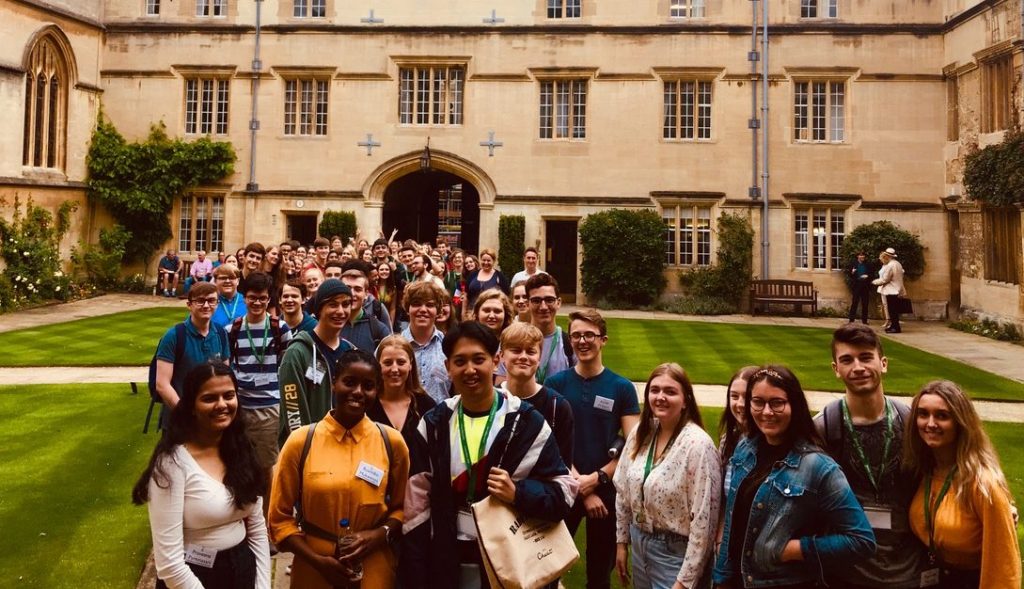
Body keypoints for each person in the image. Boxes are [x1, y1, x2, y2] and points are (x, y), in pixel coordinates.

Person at [401, 321, 578, 589]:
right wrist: (415, 572)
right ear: (448, 367)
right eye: (460, 361)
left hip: (509, 559)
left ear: (495, 361)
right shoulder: (434, 424)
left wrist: (518, 492)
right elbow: (415, 508)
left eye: (478, 359)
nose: (470, 370)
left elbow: (564, 493)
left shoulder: (529, 423)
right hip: (446, 560)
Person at [712, 365, 876, 588]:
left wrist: (793, 550)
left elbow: (861, 541)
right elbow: (733, 521)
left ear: (795, 405)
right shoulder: (745, 449)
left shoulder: (818, 467)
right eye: (758, 402)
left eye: (777, 403)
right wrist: (721, 576)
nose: (766, 412)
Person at [270, 349, 410, 589]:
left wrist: (379, 535)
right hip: (313, 568)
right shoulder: (301, 442)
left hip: (373, 566)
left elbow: (402, 509)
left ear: (377, 391)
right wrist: (316, 561)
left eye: (368, 386)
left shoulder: (392, 442)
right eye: (349, 382)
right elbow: (279, 521)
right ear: (334, 383)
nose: (357, 392)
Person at [132, 361, 270, 589]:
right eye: (209, 398)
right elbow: (169, 564)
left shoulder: (243, 451)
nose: (222, 405)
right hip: (190, 578)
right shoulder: (172, 464)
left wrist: (263, 586)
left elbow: (256, 529)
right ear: (191, 407)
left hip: (242, 570)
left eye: (229, 395)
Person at [814, 323, 923, 589]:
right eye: (847, 360)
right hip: (848, 572)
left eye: (866, 357)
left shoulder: (913, 424)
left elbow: (952, 469)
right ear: (835, 369)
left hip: (908, 568)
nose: (858, 367)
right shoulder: (823, 427)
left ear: (883, 363)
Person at [545, 308, 640, 589]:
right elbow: (549, 442)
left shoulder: (621, 387)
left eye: (589, 335)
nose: (582, 341)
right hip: (563, 486)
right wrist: (581, 487)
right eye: (576, 335)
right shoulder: (555, 384)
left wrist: (597, 479)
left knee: (599, 574)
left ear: (603, 340)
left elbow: (632, 444)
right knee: (548, 566)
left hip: (606, 491)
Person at [904, 380, 1021, 587]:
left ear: (960, 422)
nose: (930, 423)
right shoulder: (923, 471)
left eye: (942, 416)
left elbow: (1003, 565)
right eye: (923, 414)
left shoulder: (982, 484)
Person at [614, 363, 720, 589]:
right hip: (640, 543)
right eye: (655, 390)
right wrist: (622, 543)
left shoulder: (698, 445)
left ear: (686, 400)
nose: (660, 397)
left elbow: (704, 522)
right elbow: (623, 491)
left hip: (675, 554)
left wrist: (685, 581)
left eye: (670, 392)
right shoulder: (641, 433)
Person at [225, 272, 291, 516]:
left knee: (266, 467)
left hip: (269, 407)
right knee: (239, 465)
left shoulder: (279, 329)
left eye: (262, 299)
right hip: (240, 408)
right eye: (252, 298)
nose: (257, 303)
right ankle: (241, 517)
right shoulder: (232, 329)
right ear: (244, 298)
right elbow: (228, 366)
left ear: (269, 299)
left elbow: (286, 365)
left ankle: (266, 521)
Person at [278, 279, 355, 443]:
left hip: (345, 446)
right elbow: (293, 412)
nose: (341, 311)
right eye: (333, 305)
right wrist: (307, 448)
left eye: (346, 304)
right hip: (308, 449)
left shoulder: (351, 352)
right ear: (320, 309)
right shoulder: (297, 353)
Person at [498, 322, 574, 465]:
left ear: (539, 358)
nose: (523, 356)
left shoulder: (558, 406)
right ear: (501, 355)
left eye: (530, 352)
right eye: (516, 350)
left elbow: (564, 473)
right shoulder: (491, 400)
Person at [154, 282, 231, 414]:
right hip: (179, 418)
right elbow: (162, 384)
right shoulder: (174, 336)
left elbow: (225, 377)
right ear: (189, 305)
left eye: (211, 301)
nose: (206, 305)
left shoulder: (221, 334)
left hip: (212, 416)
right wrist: (185, 415)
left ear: (217, 304)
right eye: (200, 301)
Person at [370, 335, 437, 448]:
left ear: (410, 364)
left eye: (401, 362)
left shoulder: (426, 406)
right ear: (378, 366)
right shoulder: (367, 406)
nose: (394, 369)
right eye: (388, 363)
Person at [400, 280, 451, 404]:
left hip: (441, 419)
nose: (423, 309)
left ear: (438, 310)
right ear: (408, 308)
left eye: (429, 305)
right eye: (416, 304)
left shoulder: (448, 346)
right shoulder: (393, 347)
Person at [527, 273, 575, 384]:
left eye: (549, 300)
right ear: (527, 303)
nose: (543, 307)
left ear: (558, 303)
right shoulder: (513, 342)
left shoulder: (571, 344)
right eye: (536, 301)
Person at [718, 366, 758, 491]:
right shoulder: (728, 441)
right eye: (734, 396)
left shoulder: (772, 444)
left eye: (747, 397)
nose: (740, 404)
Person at [341, 267, 392, 352]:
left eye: (358, 289)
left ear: (366, 294)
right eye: (347, 288)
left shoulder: (378, 329)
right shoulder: (329, 325)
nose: (352, 293)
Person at [464, 248, 509, 317]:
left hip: (491, 314)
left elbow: (506, 298)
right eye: (483, 260)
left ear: (493, 261)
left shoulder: (499, 277)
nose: (486, 263)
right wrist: (463, 313)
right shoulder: (473, 275)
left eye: (488, 260)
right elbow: (466, 296)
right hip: (472, 313)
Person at [872, 247, 906, 333]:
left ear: (888, 256)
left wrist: (874, 282)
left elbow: (885, 279)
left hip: (891, 290)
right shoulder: (898, 264)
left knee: (892, 310)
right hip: (897, 288)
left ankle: (895, 327)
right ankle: (894, 326)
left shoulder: (890, 265)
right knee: (894, 310)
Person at [211, 264, 247, 329]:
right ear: (215, 281)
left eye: (231, 278)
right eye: (223, 278)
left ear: (238, 281)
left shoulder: (247, 301)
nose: (227, 281)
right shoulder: (209, 303)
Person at [847, 251, 872, 325]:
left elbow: (871, 274)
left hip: (865, 286)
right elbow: (850, 275)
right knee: (854, 303)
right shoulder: (853, 264)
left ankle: (864, 321)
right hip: (857, 286)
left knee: (865, 304)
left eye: (863, 255)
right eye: (860, 255)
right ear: (858, 256)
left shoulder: (868, 264)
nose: (862, 257)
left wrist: (867, 276)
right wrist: (852, 272)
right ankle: (851, 320)